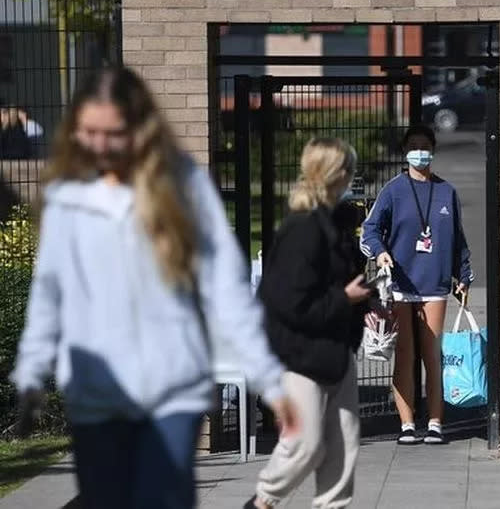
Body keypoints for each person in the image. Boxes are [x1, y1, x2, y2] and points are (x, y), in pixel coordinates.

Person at [10, 67, 297, 509]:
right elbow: (51, 287)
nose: (100, 145)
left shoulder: (183, 184)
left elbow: (227, 287)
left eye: (113, 133)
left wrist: (267, 376)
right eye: (89, 132)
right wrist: (31, 367)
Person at [253, 138, 371, 509]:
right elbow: (286, 301)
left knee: (342, 447)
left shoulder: (336, 225)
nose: (352, 177)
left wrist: (367, 303)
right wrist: (345, 300)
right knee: (304, 444)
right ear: (338, 174)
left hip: (337, 353)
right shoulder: (302, 229)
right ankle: (264, 502)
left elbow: (338, 284)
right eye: (349, 169)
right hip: (300, 358)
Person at [360, 124, 473, 445]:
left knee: (431, 355)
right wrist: (380, 254)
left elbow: (458, 239)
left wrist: (463, 276)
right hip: (399, 284)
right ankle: (407, 424)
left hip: (434, 284)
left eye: (425, 146)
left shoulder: (446, 191)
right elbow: (369, 231)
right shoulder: (393, 190)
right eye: (414, 146)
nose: (420, 152)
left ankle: (436, 422)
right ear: (406, 150)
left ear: (433, 150)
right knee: (406, 355)